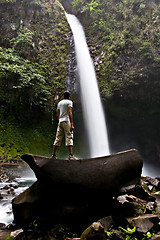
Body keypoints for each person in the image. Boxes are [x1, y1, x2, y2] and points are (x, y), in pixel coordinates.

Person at [52, 91, 78, 160]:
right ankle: (71, 155)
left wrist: (59, 121)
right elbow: (70, 112)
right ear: (69, 96)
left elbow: (58, 113)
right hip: (66, 121)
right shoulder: (69, 102)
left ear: (63, 96)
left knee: (58, 137)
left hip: (60, 121)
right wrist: (72, 124)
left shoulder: (59, 103)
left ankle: (53, 155)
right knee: (69, 136)